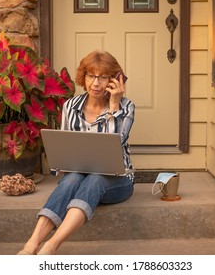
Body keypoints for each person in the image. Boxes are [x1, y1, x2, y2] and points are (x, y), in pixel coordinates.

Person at [18, 50, 135, 255]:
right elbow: (65, 152)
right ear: (84, 77)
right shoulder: (70, 106)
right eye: (91, 76)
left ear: (114, 79)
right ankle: (32, 243)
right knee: (72, 179)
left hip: (119, 180)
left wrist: (113, 106)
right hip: (79, 176)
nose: (96, 83)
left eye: (103, 76)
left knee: (96, 178)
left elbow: (116, 145)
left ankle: (52, 245)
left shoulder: (126, 107)